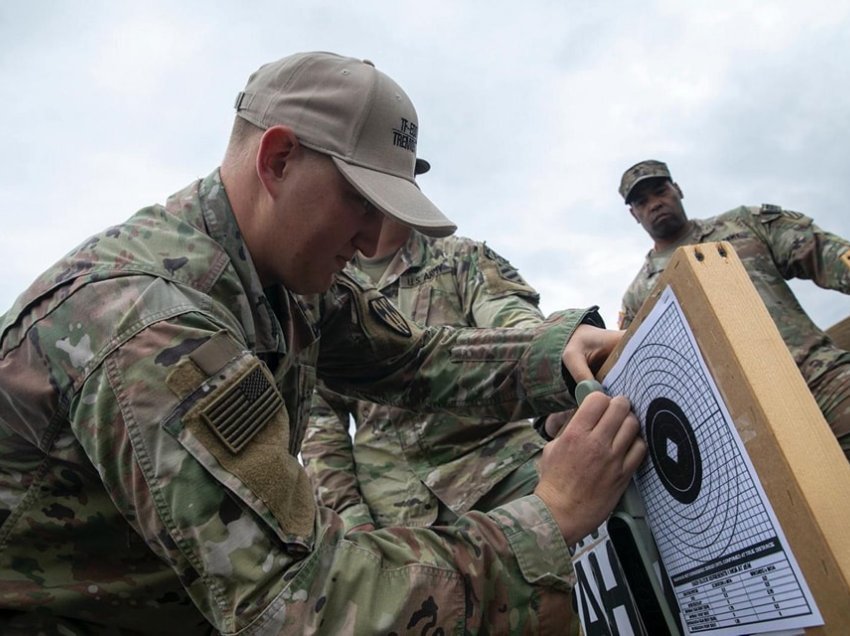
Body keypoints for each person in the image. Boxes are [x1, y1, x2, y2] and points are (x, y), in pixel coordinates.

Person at [0, 52, 645, 635]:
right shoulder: (155, 329)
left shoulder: (287, 275)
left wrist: (550, 356)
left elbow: (410, 360)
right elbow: (301, 605)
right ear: (278, 159)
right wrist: (551, 514)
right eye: (361, 203)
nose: (372, 240)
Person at [302, 213, 554, 532]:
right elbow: (320, 419)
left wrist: (554, 365)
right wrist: (350, 517)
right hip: (393, 517)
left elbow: (520, 328)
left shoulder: (461, 258)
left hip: (500, 474)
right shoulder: (325, 286)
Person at [617, 159, 850, 456]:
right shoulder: (640, 297)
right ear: (634, 214)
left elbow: (823, 253)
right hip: (746, 425)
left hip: (821, 379)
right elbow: (644, 376)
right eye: (642, 201)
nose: (655, 204)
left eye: (660, 191)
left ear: (677, 190)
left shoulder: (742, 225)